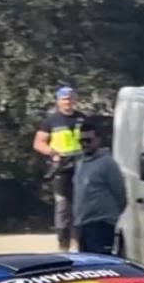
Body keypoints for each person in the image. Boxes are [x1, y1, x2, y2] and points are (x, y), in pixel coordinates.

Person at [33, 86, 85, 251]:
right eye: (64, 99)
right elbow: (38, 143)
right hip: (61, 169)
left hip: (81, 168)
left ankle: (79, 244)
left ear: (75, 100)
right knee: (63, 208)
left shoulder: (83, 119)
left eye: (70, 99)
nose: (67, 102)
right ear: (58, 101)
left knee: (81, 207)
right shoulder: (51, 121)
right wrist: (52, 153)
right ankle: (63, 244)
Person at [73, 120, 126, 255]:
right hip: (83, 224)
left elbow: (120, 193)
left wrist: (110, 216)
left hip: (101, 224)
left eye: (89, 140)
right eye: (82, 141)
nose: (85, 144)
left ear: (98, 140)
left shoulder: (107, 163)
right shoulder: (80, 164)